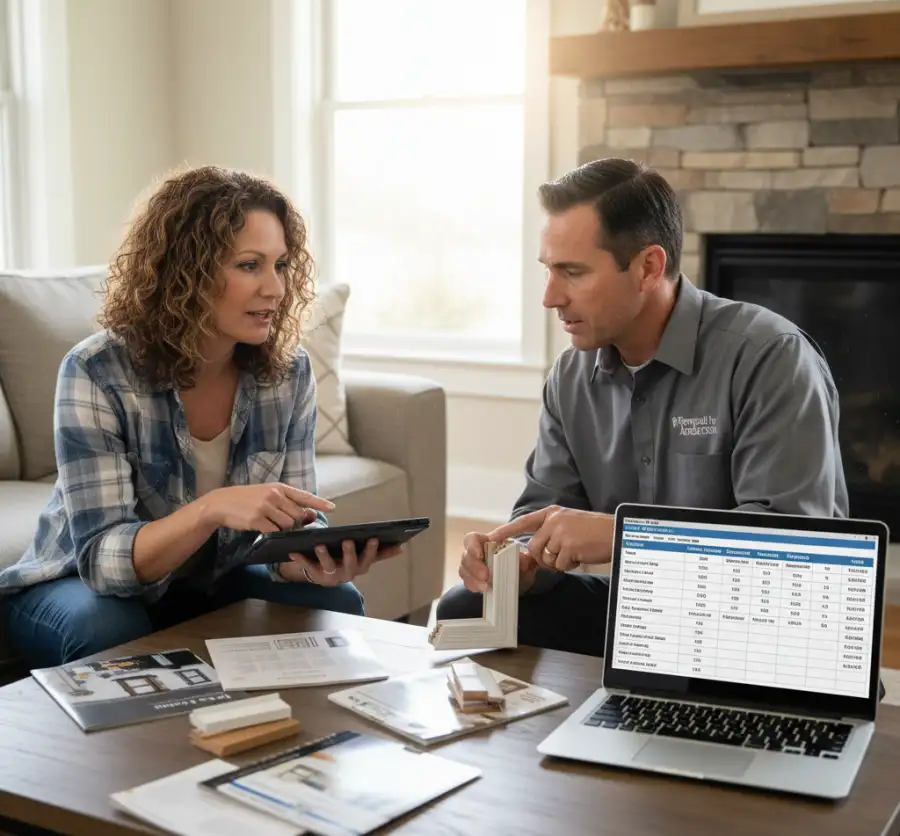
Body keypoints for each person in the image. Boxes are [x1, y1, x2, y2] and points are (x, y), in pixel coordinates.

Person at [436, 157, 849, 658]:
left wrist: (627, 536)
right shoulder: (570, 378)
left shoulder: (770, 357)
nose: (550, 297)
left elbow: (793, 550)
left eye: (573, 272)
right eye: (548, 270)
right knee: (466, 607)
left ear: (648, 268)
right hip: (643, 609)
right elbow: (539, 512)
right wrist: (517, 562)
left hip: (757, 621)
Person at [0, 166, 401, 668]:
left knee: (335, 601)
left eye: (280, 265)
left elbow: (289, 529)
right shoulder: (96, 369)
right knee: (109, 627)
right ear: (185, 273)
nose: (276, 288)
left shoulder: (288, 371)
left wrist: (313, 562)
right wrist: (212, 509)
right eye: (250, 265)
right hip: (73, 584)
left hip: (206, 580)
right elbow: (103, 563)